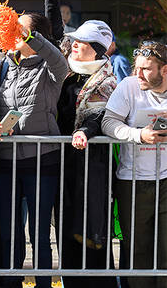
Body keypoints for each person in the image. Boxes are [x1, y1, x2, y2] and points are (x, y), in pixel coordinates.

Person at [0, 13, 68, 288]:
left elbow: (60, 60)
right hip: (5, 162)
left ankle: (44, 284)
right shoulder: (3, 66)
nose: (13, 32)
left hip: (41, 159)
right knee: (8, 233)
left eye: (20, 29)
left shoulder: (50, 67)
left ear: (37, 35)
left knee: (39, 232)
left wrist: (30, 36)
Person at [56, 20, 118, 288]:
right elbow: (54, 35)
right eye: (75, 40)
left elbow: (99, 116)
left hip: (91, 166)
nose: (74, 45)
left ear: (96, 49)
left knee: (91, 231)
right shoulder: (65, 72)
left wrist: (84, 131)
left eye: (81, 41)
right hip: (63, 163)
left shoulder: (107, 80)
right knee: (65, 230)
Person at [102, 40, 167, 288]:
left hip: (166, 180)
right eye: (136, 67)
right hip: (134, 180)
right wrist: (139, 135)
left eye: (146, 69)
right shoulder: (128, 86)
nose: (137, 74)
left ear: (165, 70)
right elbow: (109, 123)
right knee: (137, 250)